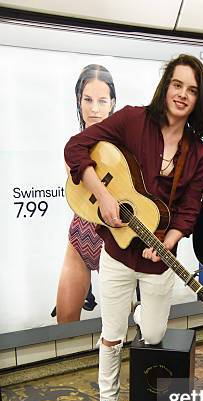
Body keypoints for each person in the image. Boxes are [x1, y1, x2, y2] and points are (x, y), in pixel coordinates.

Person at [64, 54, 203, 401]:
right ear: (166, 85)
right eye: (177, 84)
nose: (182, 94)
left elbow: (190, 208)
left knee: (151, 334)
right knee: (111, 334)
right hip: (116, 252)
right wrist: (103, 194)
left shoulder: (197, 154)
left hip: (158, 257)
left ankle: (146, 397)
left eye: (192, 90)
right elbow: (76, 148)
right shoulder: (132, 119)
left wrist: (167, 241)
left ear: (200, 100)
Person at [54, 64, 116, 323]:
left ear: (112, 103)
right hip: (80, 238)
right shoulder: (73, 146)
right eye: (88, 100)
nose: (94, 109)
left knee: (121, 326)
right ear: (79, 101)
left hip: (116, 241)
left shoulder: (127, 144)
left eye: (102, 101)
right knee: (65, 322)